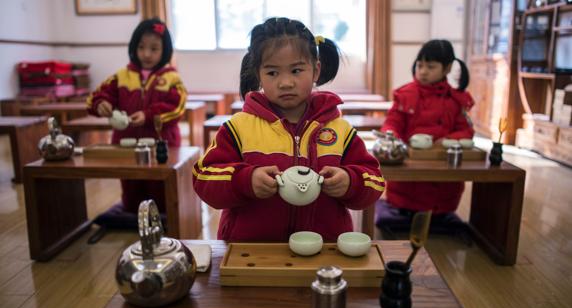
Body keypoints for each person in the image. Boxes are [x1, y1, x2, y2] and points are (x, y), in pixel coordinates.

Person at [193, 17, 385, 242]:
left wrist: (350, 181)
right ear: (258, 75)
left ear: (316, 71)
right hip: (250, 252)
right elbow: (203, 178)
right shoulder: (239, 127)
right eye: (272, 73)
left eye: (296, 70)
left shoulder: (339, 130)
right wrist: (245, 180)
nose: (285, 83)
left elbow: (375, 180)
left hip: (324, 250)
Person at [87, 18, 187, 214]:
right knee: (131, 190)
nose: (147, 54)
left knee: (160, 192)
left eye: (154, 48)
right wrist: (101, 104)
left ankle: (162, 221)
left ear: (164, 51)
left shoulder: (171, 78)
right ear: (134, 47)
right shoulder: (121, 76)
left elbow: (178, 107)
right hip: (125, 146)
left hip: (161, 145)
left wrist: (149, 115)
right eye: (141, 47)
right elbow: (95, 97)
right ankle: (132, 216)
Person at [376, 39, 474, 234]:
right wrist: (391, 134)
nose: (423, 71)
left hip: (441, 165)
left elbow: (466, 131)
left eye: (431, 67)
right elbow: (393, 121)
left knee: (441, 198)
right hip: (410, 167)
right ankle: (407, 212)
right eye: (420, 65)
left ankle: (439, 214)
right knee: (408, 195)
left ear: (447, 69)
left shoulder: (455, 100)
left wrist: (445, 141)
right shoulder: (405, 95)